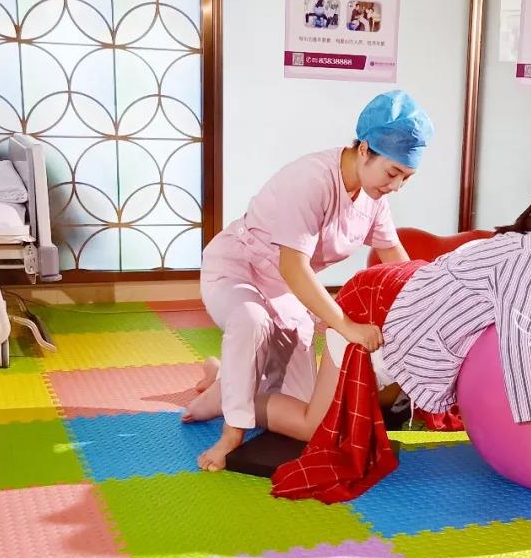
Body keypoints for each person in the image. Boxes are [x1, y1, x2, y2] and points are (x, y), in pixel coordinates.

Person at [261, 180, 531, 495]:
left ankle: (237, 384)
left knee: (366, 407)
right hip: (374, 312)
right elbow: (523, 349)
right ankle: (237, 401)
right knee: (318, 426)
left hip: (406, 300)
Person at [184, 91, 435, 472]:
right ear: (364, 150)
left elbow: (393, 257)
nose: (397, 186)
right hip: (238, 270)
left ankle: (221, 377)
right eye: (393, 173)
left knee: (305, 414)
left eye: (406, 178)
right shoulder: (311, 180)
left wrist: (430, 305)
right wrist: (346, 325)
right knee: (251, 322)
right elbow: (294, 267)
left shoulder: (373, 199)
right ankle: (230, 435)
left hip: (285, 291)